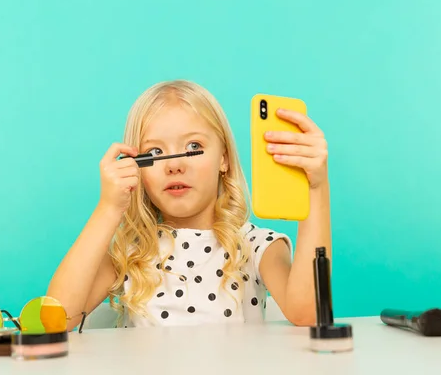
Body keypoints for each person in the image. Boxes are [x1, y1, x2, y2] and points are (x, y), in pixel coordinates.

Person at [47, 80, 331, 329]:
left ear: (224, 159)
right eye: (155, 152)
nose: (175, 165)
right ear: (137, 167)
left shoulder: (257, 246)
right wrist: (108, 208)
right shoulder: (130, 254)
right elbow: (56, 319)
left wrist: (316, 187)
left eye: (194, 147)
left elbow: (307, 313)